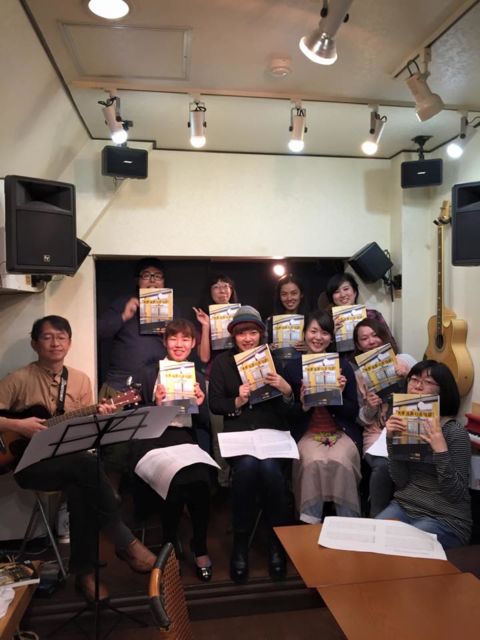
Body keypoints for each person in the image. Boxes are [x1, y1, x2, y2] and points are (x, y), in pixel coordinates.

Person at [0, 316, 156, 603]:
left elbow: (85, 432)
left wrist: (102, 416)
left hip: (69, 463)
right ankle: (122, 541)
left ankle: (85, 574)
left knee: (82, 485)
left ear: (69, 343)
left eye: (61, 337)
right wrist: (18, 425)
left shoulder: (81, 380)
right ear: (35, 343)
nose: (55, 343)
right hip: (27, 465)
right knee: (87, 469)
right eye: (47, 337)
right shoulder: (17, 379)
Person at [208, 306, 293, 583]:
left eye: (253, 332)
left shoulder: (273, 359)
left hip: (271, 432)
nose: (247, 338)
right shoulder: (222, 363)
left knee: (270, 470)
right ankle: (240, 543)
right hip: (240, 434)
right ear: (233, 336)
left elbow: (290, 410)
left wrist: (286, 390)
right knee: (246, 468)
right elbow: (215, 404)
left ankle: (276, 543)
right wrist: (237, 400)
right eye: (241, 333)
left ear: (261, 334)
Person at [132, 319, 213, 582]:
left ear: (193, 343)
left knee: (202, 478)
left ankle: (199, 545)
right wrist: (155, 405)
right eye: (173, 338)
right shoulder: (147, 374)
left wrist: (200, 404)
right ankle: (169, 544)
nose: (179, 344)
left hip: (183, 438)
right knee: (175, 480)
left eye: (185, 339)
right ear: (164, 342)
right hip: (153, 439)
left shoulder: (197, 376)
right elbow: (134, 419)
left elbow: (203, 423)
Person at [97, 258, 177, 483]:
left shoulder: (172, 307)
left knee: (150, 452)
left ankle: (142, 500)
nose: (152, 280)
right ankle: (111, 499)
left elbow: (182, 343)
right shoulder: (123, 303)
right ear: (137, 280)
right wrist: (124, 315)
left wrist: (168, 335)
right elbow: (98, 331)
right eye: (146, 275)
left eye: (157, 276)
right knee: (115, 453)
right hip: (120, 386)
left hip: (154, 390)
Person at [376, 360, 472, 549]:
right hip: (405, 506)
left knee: (400, 546)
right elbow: (400, 480)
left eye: (428, 382)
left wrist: (441, 449)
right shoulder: (404, 423)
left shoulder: (454, 431)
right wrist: (391, 439)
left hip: (445, 518)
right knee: (373, 535)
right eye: (413, 379)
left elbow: (455, 493)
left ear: (442, 391)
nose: (418, 386)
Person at [284, 311, 361, 522]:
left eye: (325, 333)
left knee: (341, 461)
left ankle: (348, 524)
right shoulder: (292, 368)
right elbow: (287, 415)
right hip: (307, 433)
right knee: (312, 462)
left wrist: (339, 396)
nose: (318, 337)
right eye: (313, 331)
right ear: (304, 333)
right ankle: (310, 523)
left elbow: (353, 412)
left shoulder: (343, 366)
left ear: (331, 337)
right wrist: (304, 404)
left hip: (340, 432)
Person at [353, 318, 416, 516]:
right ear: (358, 345)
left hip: (407, 427)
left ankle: (410, 510)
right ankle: (377, 515)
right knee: (382, 465)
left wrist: (408, 375)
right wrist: (370, 408)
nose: (371, 341)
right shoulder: (358, 375)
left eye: (375, 335)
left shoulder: (405, 360)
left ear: (384, 336)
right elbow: (360, 419)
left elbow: (427, 394)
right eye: (364, 338)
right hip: (376, 433)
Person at [192, 274, 239, 487]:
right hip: (214, 381)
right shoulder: (205, 318)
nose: (222, 290)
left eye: (226, 286)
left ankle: (240, 477)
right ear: (210, 292)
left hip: (240, 379)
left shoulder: (241, 314)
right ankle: (223, 481)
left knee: (240, 430)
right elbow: (203, 357)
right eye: (217, 286)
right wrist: (206, 325)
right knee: (219, 434)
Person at [321, 272, 397, 353]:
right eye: (336, 292)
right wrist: (331, 335)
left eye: (346, 289)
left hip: (372, 359)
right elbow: (320, 351)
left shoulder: (373, 315)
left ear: (355, 292)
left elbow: (390, 342)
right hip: (342, 360)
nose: (342, 295)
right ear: (332, 297)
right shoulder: (327, 320)